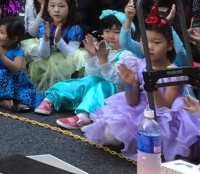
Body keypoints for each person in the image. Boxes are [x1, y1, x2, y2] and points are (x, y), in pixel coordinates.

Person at [84, 14, 200, 159]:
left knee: (171, 143)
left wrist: (153, 87)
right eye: (145, 41)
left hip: (167, 115)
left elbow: (165, 105)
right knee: (112, 134)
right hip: (142, 108)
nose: (149, 46)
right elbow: (132, 101)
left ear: (170, 45)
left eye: (156, 42)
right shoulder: (138, 64)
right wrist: (129, 84)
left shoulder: (173, 72)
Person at [45, 12, 128, 130]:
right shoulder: (106, 49)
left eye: (116, 32)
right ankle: (53, 98)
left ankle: (85, 115)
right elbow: (93, 74)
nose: (110, 36)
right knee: (89, 80)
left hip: (119, 95)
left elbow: (119, 83)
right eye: (107, 31)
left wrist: (104, 61)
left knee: (104, 85)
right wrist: (93, 56)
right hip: (102, 89)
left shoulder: (128, 55)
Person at [28, 0, 85, 108]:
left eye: (61, 6)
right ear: (47, 8)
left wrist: (59, 40)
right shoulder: (45, 26)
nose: (56, 10)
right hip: (48, 59)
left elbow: (72, 54)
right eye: (52, 6)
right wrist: (45, 39)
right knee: (31, 52)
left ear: (70, 8)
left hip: (67, 62)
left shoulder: (74, 28)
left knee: (81, 58)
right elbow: (44, 55)